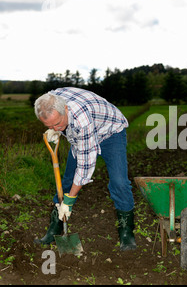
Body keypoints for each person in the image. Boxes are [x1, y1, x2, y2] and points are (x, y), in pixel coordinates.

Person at [33, 87, 137, 251]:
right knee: (67, 181)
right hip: (83, 132)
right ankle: (55, 227)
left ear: (65, 109)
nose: (55, 128)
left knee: (119, 182)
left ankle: (126, 233)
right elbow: (57, 122)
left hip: (110, 133)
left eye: (58, 124)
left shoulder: (81, 120)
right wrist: (55, 128)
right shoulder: (49, 100)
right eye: (49, 125)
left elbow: (85, 166)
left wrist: (70, 201)